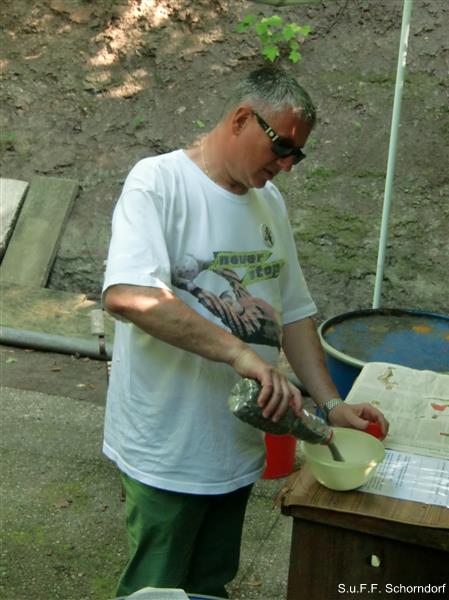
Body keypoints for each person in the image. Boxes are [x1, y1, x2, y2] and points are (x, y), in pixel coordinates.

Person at [102, 66, 389, 598]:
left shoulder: (269, 203)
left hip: (235, 447)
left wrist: (330, 404)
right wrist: (240, 354)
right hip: (167, 447)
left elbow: (294, 314)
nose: (287, 164)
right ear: (240, 119)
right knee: (155, 590)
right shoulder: (158, 182)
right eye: (282, 147)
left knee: (211, 586)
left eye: (298, 155)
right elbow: (128, 294)